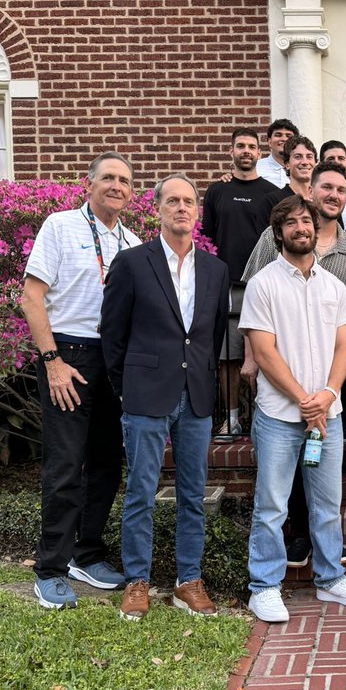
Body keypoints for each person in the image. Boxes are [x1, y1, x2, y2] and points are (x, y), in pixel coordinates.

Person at [100, 175, 229, 621]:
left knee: (193, 493)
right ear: (156, 209)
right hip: (145, 394)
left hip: (195, 395)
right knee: (140, 490)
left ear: (197, 212)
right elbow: (113, 334)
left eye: (188, 202)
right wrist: (125, 387)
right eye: (172, 201)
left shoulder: (215, 269)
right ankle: (137, 581)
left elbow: (211, 335)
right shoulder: (132, 262)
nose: (181, 208)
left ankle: (187, 581)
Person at [241, 197, 346, 622]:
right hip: (280, 416)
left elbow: (343, 346)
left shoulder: (333, 286)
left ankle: (331, 578)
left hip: (326, 418)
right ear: (278, 233)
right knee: (272, 506)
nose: (301, 227)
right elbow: (263, 351)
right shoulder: (263, 284)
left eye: (307, 221)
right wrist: (304, 399)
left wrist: (330, 395)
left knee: (327, 504)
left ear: (316, 230)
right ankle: (264, 586)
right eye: (291, 222)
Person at [21, 152, 141, 610]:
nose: (116, 185)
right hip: (68, 355)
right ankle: (49, 568)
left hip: (114, 361)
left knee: (108, 464)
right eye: (107, 177)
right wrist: (52, 361)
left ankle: (86, 553)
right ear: (88, 184)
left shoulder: (132, 243)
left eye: (124, 180)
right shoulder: (61, 225)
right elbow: (31, 298)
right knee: (66, 466)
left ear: (132, 193)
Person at [201, 127, 278, 436]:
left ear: (259, 153)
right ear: (231, 151)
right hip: (226, 283)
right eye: (240, 146)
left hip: (264, 283)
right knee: (228, 356)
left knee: (266, 352)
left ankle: (264, 418)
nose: (246, 150)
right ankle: (231, 418)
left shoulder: (272, 192)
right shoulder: (216, 191)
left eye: (251, 146)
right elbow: (205, 239)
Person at [255, 117, 298, 188]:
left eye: (288, 136)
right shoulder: (256, 168)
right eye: (278, 135)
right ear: (269, 142)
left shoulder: (303, 169)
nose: (284, 139)